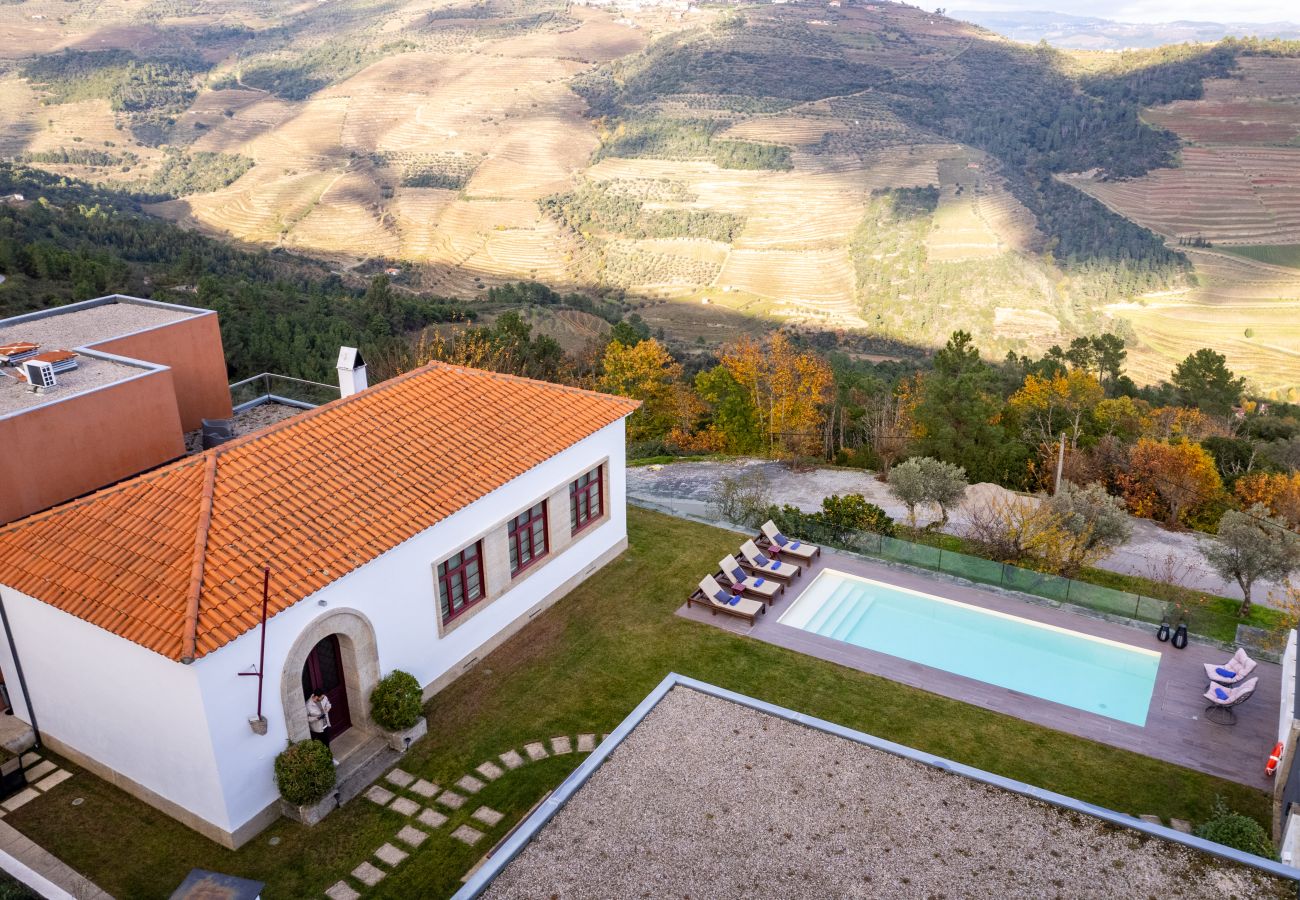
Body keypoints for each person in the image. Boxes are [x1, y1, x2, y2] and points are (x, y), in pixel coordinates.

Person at [306, 691, 338, 765]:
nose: (323, 698)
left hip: (326, 725)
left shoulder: (324, 698)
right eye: (322, 697)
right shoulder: (308, 705)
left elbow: (328, 704)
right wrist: (316, 718)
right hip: (317, 730)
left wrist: (327, 708)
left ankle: (330, 760)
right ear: (316, 697)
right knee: (320, 746)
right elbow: (306, 718)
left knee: (326, 743)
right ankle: (325, 762)